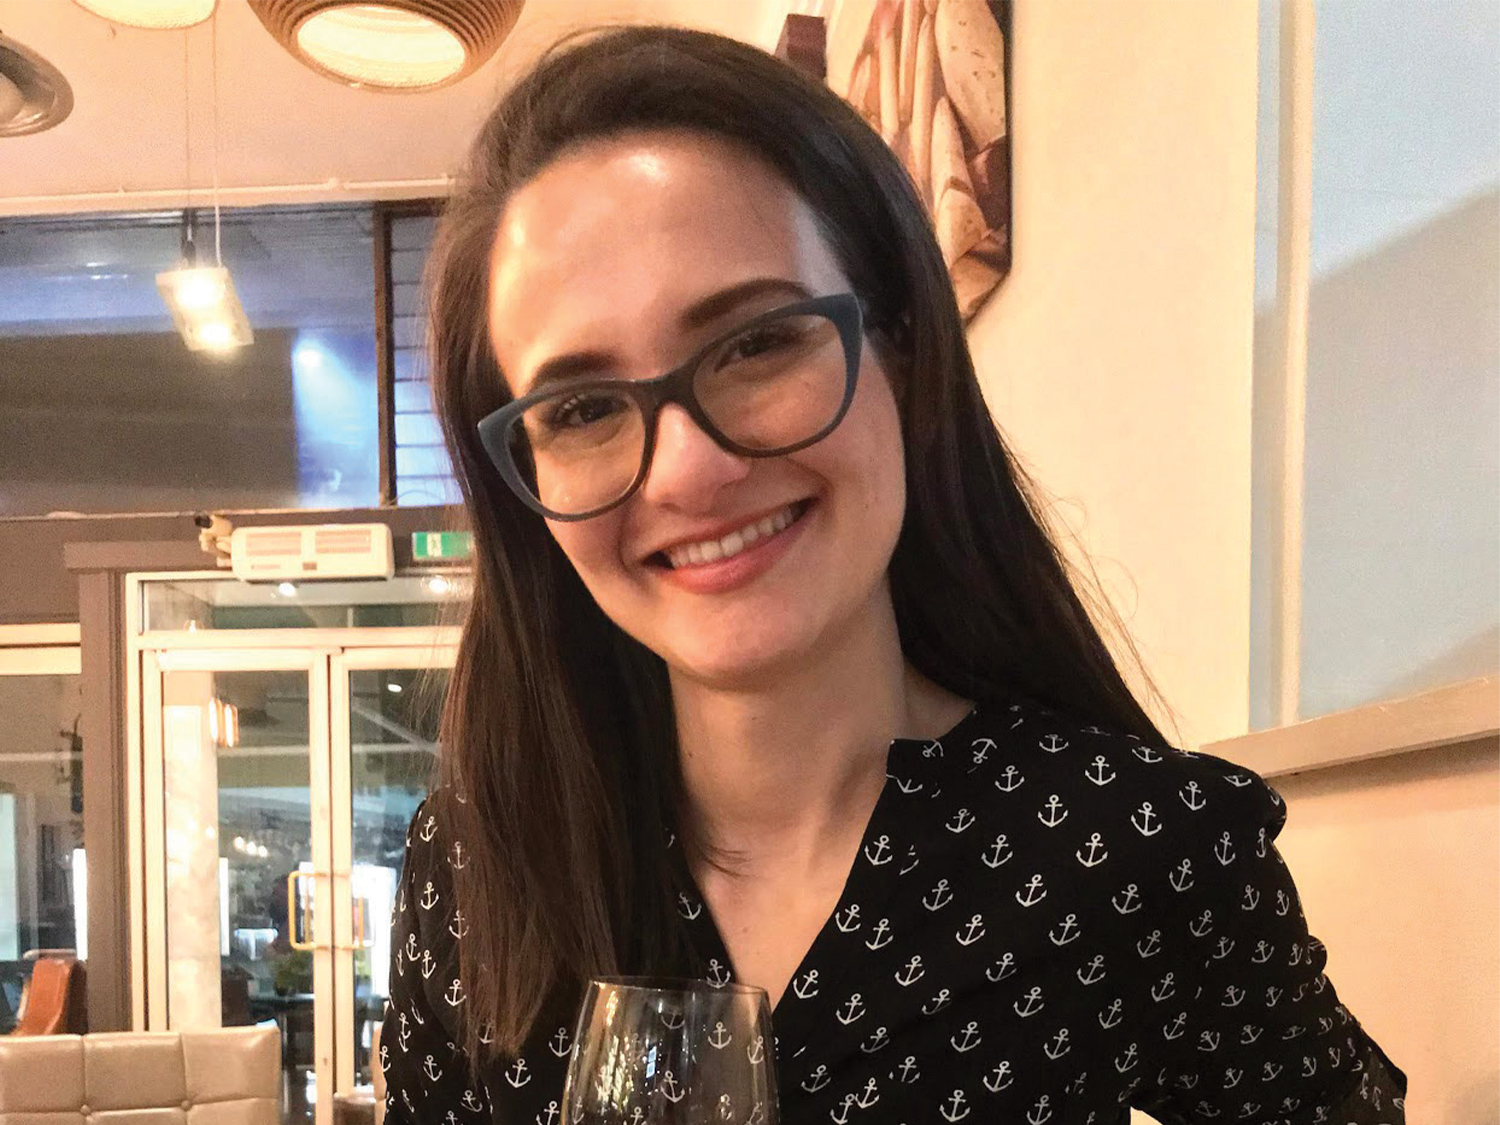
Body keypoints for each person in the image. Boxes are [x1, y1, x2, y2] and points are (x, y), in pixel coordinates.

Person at [381, 23, 1407, 1125]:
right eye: (580, 408)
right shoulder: (479, 871)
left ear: (903, 350)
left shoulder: (1139, 850)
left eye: (756, 344)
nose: (687, 467)